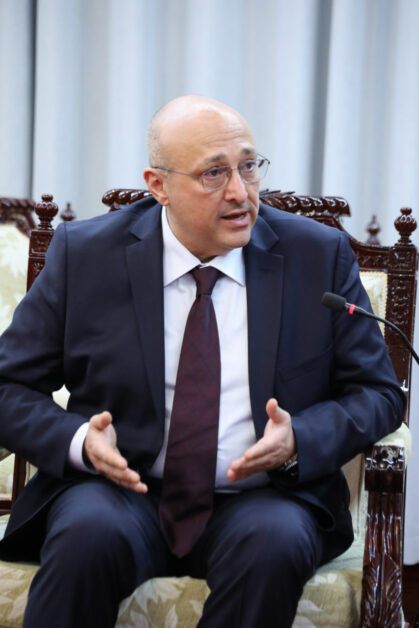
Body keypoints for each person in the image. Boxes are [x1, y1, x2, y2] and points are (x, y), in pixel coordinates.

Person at [0, 95, 405, 628]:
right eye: (214, 173)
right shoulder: (87, 256)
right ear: (158, 185)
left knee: (274, 543)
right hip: (120, 492)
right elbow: (8, 387)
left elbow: (379, 394)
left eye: (248, 166)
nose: (240, 192)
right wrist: (80, 442)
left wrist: (299, 440)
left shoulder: (318, 256)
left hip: (264, 498)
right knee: (85, 536)